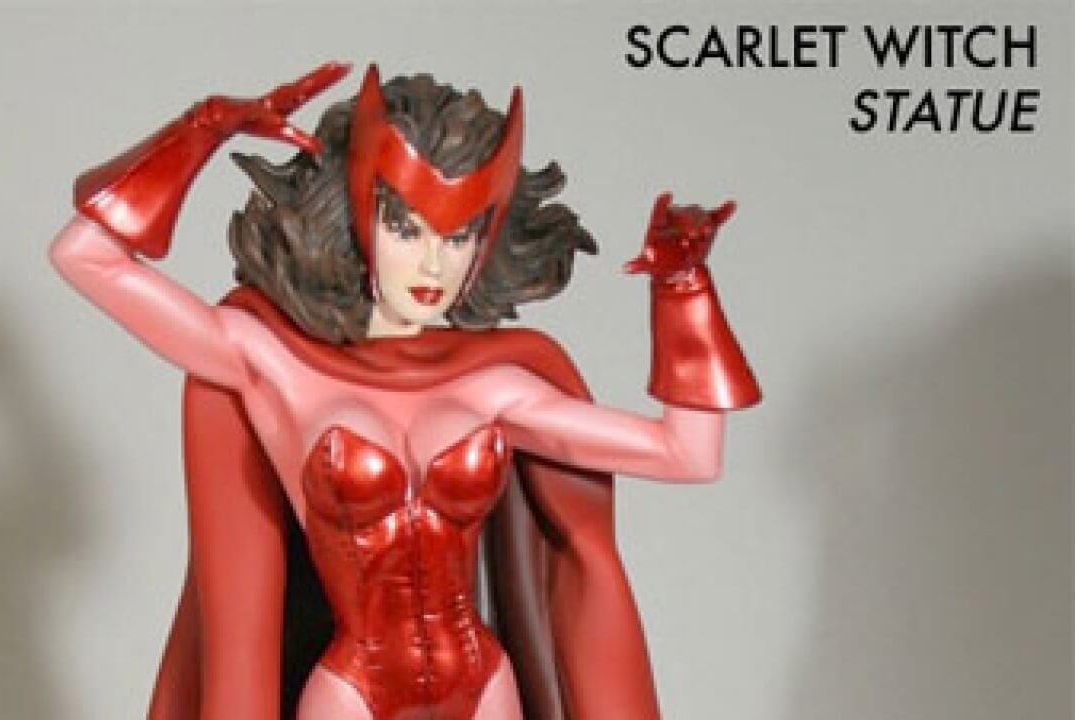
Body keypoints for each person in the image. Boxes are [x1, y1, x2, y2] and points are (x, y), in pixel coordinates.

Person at [51, 62, 760, 720]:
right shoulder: (277, 368)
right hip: (352, 692)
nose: (432, 264)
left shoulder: (497, 389)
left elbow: (687, 453)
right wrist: (203, 127)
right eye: (405, 227)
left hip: (484, 684)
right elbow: (86, 256)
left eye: (458, 236)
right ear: (359, 215)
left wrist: (683, 290)